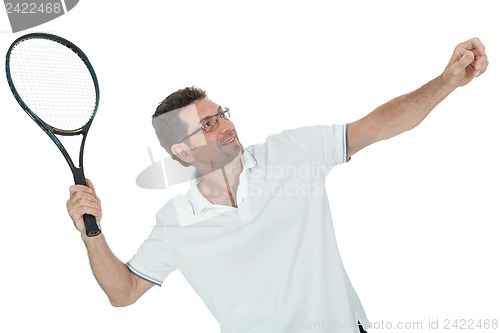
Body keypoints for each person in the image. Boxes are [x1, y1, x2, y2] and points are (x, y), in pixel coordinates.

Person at [67, 38, 488, 333]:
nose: (227, 126)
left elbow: (377, 125)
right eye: (209, 125)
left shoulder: (292, 152)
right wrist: (93, 233)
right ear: (182, 150)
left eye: (223, 113)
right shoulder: (175, 224)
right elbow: (123, 293)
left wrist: (445, 82)